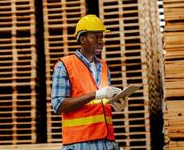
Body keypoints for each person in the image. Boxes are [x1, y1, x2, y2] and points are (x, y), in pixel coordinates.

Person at [51, 14, 127, 150]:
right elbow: (58, 105)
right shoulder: (65, 65)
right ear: (82, 39)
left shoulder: (104, 67)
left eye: (101, 37)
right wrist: (95, 94)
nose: (100, 41)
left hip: (107, 143)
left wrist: (116, 104)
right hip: (80, 144)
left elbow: (99, 106)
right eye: (95, 37)